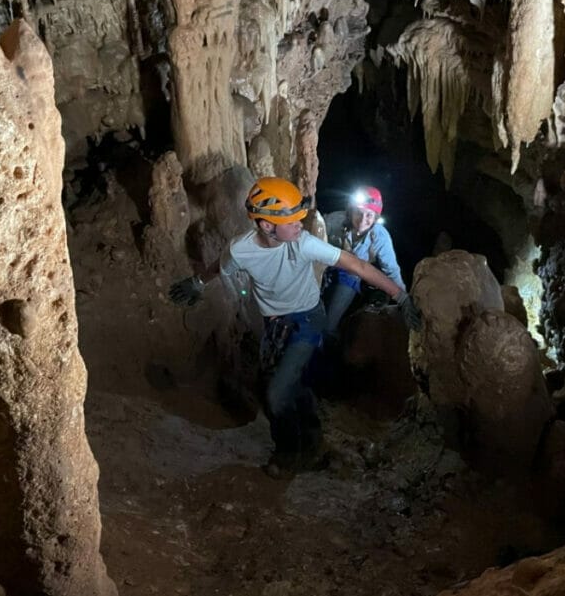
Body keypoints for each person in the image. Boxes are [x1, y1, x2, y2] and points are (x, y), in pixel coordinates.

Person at [169, 177, 422, 472]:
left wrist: (401, 297)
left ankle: (289, 453)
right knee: (286, 382)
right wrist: (198, 282)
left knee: (275, 394)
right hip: (274, 325)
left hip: (308, 320)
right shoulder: (241, 249)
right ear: (266, 226)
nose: (300, 225)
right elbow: (223, 264)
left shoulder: (303, 244)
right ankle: (313, 436)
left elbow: (359, 266)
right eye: (292, 221)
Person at [321, 185, 405, 341]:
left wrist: (404, 299)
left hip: (352, 276)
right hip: (324, 268)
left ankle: (328, 335)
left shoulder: (379, 237)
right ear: (350, 211)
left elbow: (391, 270)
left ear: (375, 218)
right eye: (358, 213)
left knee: (330, 320)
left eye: (369, 215)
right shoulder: (333, 222)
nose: (362, 219)